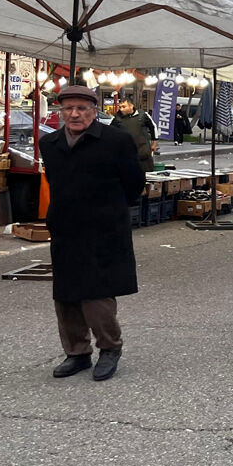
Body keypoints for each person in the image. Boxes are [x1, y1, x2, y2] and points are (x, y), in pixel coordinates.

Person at [39, 85, 144, 382]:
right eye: (68, 108)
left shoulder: (116, 140)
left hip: (104, 227)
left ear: (94, 111)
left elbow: (134, 182)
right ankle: (77, 352)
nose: (74, 114)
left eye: (82, 108)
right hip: (65, 226)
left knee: (97, 294)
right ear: (60, 112)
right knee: (66, 294)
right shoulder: (50, 143)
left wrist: (110, 208)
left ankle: (110, 348)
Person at [112, 98, 158, 172]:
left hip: (143, 152)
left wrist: (154, 143)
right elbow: (110, 132)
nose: (121, 109)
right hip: (126, 154)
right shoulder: (117, 118)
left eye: (124, 107)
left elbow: (153, 127)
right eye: (120, 107)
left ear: (131, 106)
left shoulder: (143, 115)